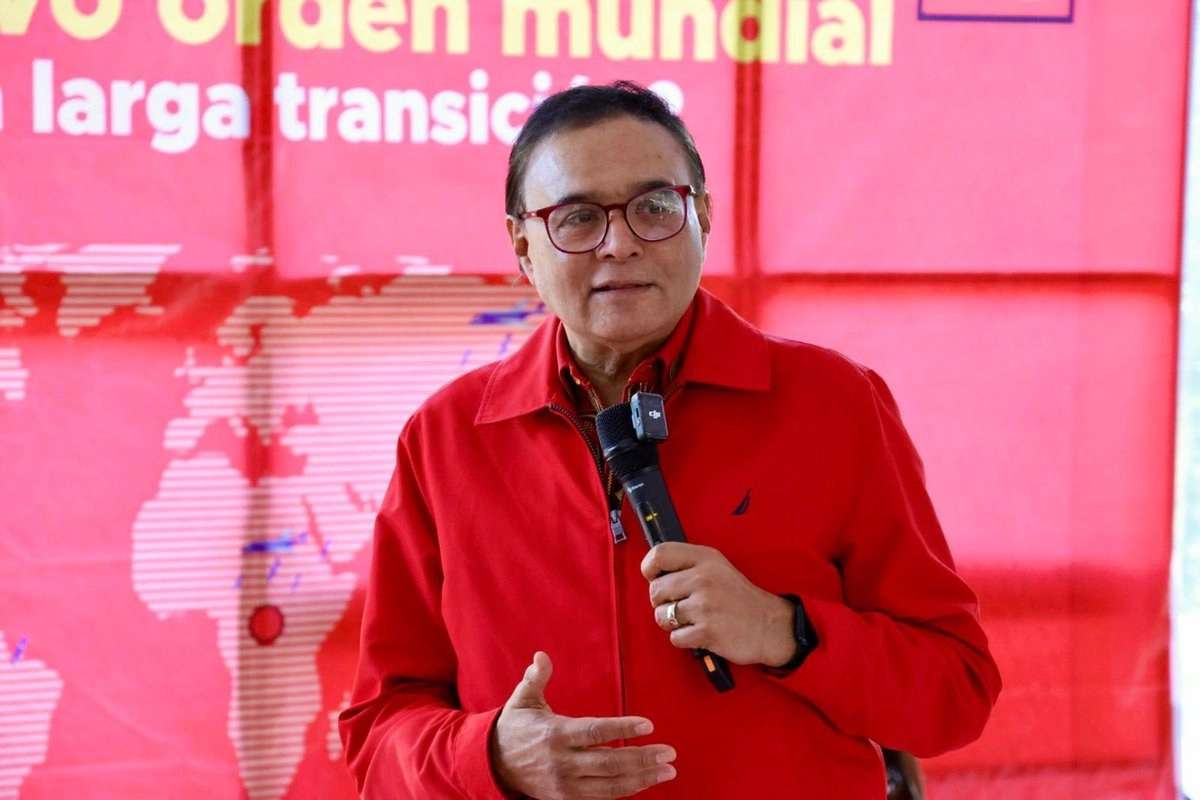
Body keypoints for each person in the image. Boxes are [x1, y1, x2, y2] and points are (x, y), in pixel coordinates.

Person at [339, 81, 1002, 799]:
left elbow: (955, 690)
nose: (620, 243)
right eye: (578, 217)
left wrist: (783, 631)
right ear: (523, 246)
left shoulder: (835, 403)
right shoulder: (445, 438)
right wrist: (489, 755)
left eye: (655, 207)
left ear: (703, 217)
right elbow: (376, 734)